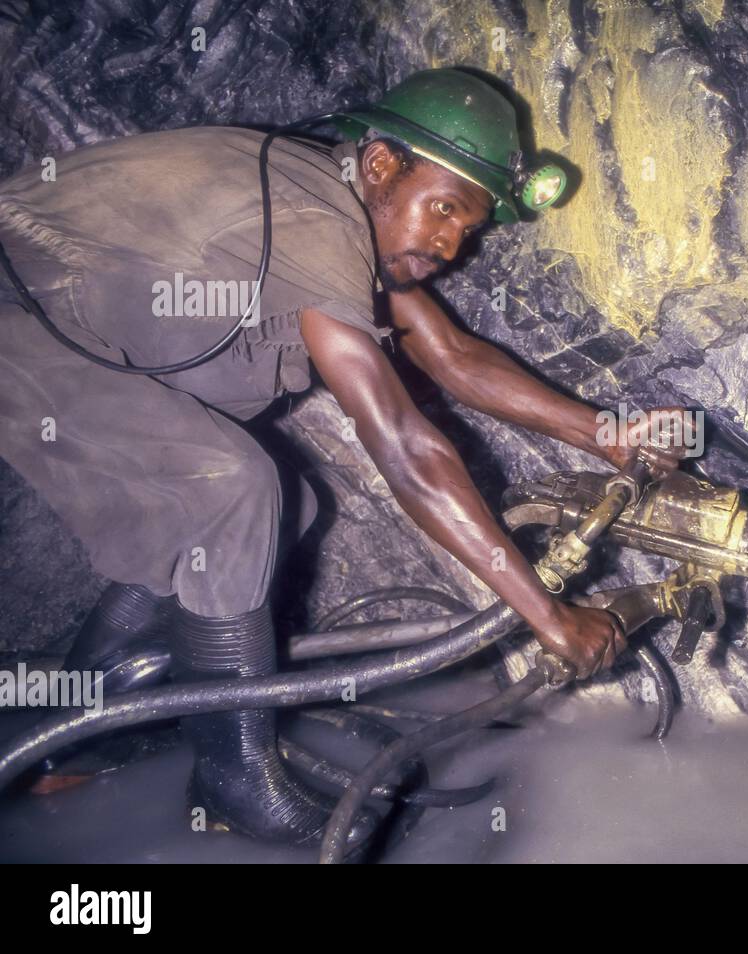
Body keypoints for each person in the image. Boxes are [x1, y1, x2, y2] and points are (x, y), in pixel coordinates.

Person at [0, 68, 694, 847]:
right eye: (443, 211)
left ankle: (62, 727)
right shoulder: (312, 219)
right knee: (232, 489)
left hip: (53, 323)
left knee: (268, 507)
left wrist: (610, 434)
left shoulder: (330, 217)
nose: (449, 244)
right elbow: (400, 441)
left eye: (467, 228)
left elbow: (452, 354)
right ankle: (234, 777)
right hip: (15, 313)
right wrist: (546, 614)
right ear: (380, 167)